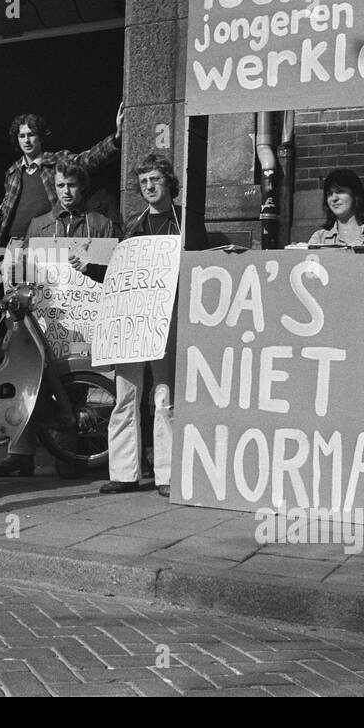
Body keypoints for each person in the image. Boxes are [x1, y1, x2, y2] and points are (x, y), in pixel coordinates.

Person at [0, 105, 124, 478]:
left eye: (70, 185)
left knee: (74, 373)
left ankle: (72, 452)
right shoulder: (19, 184)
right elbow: (12, 228)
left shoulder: (98, 221)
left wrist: (118, 137)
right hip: (30, 277)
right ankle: (21, 451)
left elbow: (86, 158)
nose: (65, 190)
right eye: (22, 135)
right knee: (23, 366)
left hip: (81, 317)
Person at [101, 153, 209, 497]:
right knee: (125, 394)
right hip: (132, 316)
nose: (149, 186)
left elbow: (200, 269)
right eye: (144, 181)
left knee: (165, 395)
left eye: (155, 180)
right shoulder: (132, 224)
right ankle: (124, 472)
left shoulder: (187, 223)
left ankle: (167, 473)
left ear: (169, 184)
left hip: (167, 315)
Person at [0, 104, 124, 249]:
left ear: (41, 137)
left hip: (45, 239)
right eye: (22, 136)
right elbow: (5, 213)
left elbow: (89, 158)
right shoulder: (13, 172)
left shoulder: (57, 161)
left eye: (31, 135)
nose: (26, 140)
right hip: (13, 243)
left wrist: (116, 138)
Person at [307, 168, 364, 246]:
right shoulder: (319, 238)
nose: (334, 198)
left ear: (355, 194)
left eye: (340, 191)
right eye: (329, 194)